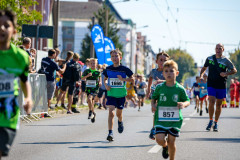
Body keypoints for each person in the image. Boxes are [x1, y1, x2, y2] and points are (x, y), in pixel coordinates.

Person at [0, 9, 33, 158]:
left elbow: (24, 80)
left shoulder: (20, 57)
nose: (1, 28)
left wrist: (28, 98)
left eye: (6, 25)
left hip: (7, 112)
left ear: (14, 31)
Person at [151, 60, 190, 160]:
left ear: (176, 73)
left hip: (175, 120)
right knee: (159, 139)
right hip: (160, 119)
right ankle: (165, 146)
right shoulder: (159, 87)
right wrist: (153, 104)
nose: (169, 73)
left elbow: (187, 100)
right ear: (163, 73)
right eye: (166, 71)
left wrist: (183, 104)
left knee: (172, 141)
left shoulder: (180, 89)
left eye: (171, 71)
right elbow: (154, 97)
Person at [200, 43, 237, 131]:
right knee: (211, 101)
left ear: (223, 50)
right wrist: (201, 75)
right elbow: (204, 68)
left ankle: (216, 122)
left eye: (220, 48)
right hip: (211, 83)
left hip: (221, 85)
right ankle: (210, 120)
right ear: (215, 49)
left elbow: (234, 70)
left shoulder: (226, 60)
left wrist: (226, 73)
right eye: (217, 48)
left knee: (219, 104)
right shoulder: (209, 59)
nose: (218, 49)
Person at [103, 48, 134, 141]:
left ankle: (120, 121)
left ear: (120, 57)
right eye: (113, 56)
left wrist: (123, 80)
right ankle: (110, 133)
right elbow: (104, 79)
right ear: (111, 58)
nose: (115, 58)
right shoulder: (108, 69)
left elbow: (132, 79)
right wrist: (106, 85)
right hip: (111, 94)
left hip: (121, 95)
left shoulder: (124, 69)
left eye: (116, 56)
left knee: (119, 114)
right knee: (111, 113)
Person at [146, 51, 170, 140]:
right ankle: (154, 129)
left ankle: (165, 129)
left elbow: (171, 81)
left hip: (166, 95)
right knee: (155, 111)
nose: (162, 62)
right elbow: (150, 79)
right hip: (155, 95)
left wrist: (162, 81)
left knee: (164, 113)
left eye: (165, 60)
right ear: (156, 61)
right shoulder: (153, 71)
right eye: (161, 60)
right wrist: (148, 90)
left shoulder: (168, 72)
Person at [82, 58, 101, 123]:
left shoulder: (98, 72)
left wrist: (100, 82)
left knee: (89, 99)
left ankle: (90, 112)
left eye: (94, 63)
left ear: (96, 64)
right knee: (91, 102)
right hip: (88, 88)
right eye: (91, 63)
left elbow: (99, 79)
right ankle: (93, 113)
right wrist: (87, 76)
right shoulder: (87, 71)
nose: (93, 64)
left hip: (95, 88)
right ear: (89, 64)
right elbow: (82, 78)